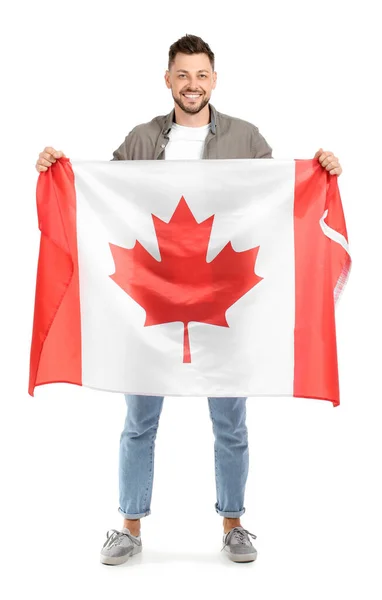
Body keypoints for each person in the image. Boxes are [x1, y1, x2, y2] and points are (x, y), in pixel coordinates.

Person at [35, 34, 343, 566]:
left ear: (214, 81)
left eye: (201, 75)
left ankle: (234, 525)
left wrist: (320, 172)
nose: (192, 85)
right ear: (168, 79)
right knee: (138, 421)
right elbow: (100, 198)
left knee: (230, 422)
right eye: (183, 75)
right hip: (147, 307)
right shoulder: (141, 139)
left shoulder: (246, 139)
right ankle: (129, 527)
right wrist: (59, 170)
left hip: (226, 305)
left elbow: (279, 207)